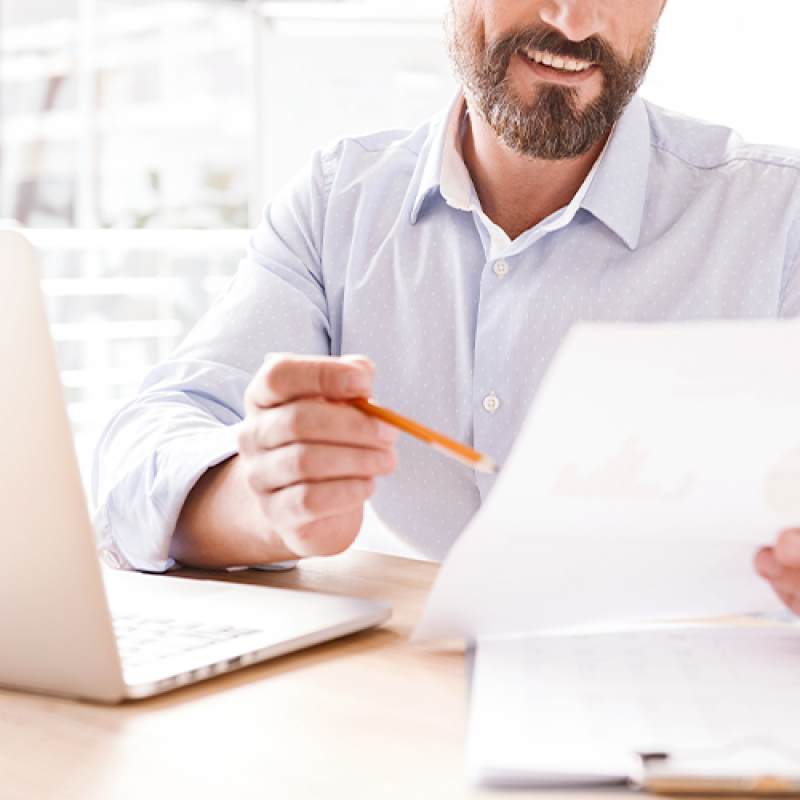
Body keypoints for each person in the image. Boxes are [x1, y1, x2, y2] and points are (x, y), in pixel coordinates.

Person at [93, 0, 800, 613]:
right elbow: (134, 464)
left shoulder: (778, 221)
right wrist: (268, 498)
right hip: (388, 719)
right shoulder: (338, 203)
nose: (575, 20)